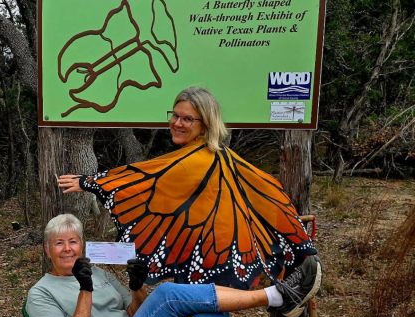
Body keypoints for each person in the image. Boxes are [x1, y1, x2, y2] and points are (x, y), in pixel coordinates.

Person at [26, 214, 340, 317]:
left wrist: (136, 286)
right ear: (46, 249)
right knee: (167, 294)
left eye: (73, 241)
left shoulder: (101, 273)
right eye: (58, 243)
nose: (67, 249)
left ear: (82, 245)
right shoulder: (40, 294)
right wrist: (85, 290)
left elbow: (138, 315)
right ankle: (275, 297)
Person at [57, 86, 318, 289]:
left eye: (188, 119)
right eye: (175, 116)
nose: (178, 123)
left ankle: (273, 307)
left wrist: (90, 182)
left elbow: (145, 178)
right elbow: (268, 191)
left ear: (205, 123)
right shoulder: (220, 155)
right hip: (217, 255)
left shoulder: (197, 159)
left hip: (212, 255)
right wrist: (300, 243)